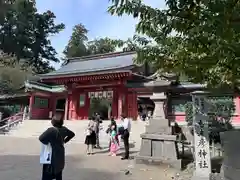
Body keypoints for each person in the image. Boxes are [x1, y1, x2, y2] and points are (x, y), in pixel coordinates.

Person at [39, 113, 75, 180]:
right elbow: (72, 134)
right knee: (59, 172)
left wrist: (47, 143)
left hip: (51, 155)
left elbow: (41, 138)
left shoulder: (51, 130)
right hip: (60, 155)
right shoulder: (64, 129)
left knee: (47, 174)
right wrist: (64, 141)